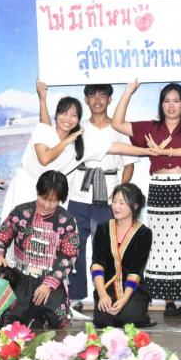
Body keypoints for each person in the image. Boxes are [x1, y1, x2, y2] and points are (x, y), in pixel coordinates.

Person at [112, 77, 181, 317]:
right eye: (166, 101)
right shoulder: (150, 127)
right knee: (161, 245)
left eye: (176, 101)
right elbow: (117, 123)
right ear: (161, 104)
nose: (171, 106)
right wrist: (128, 90)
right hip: (160, 188)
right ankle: (169, 301)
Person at [37, 82, 138, 313]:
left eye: (103, 95)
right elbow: (49, 137)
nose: (97, 100)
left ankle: (108, 295)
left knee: (107, 250)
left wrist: (121, 194)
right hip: (78, 195)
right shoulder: (77, 128)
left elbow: (129, 164)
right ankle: (74, 297)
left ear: (110, 99)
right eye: (92, 95)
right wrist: (42, 100)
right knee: (74, 248)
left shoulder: (119, 128)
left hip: (108, 197)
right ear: (86, 99)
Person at [0, 170, 80, 329]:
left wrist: (48, 285)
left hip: (50, 278)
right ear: (38, 192)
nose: (47, 205)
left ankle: (41, 313)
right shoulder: (21, 212)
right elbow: (1, 237)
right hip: (21, 277)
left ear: (60, 199)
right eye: (43, 198)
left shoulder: (67, 220)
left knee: (59, 320)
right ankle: (32, 316)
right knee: (11, 320)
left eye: (53, 201)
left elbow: (68, 257)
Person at [0, 95, 85, 222]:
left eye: (74, 115)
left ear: (78, 120)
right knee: (15, 228)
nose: (68, 118)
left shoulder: (76, 147)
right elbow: (44, 159)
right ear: (56, 115)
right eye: (64, 113)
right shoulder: (42, 130)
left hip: (50, 196)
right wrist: (66, 141)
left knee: (45, 232)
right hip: (25, 188)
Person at [90, 183, 154, 328]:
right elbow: (97, 264)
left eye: (121, 203)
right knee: (103, 321)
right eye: (114, 201)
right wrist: (103, 295)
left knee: (129, 318)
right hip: (107, 287)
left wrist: (124, 300)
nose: (116, 207)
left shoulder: (144, 233)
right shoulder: (103, 228)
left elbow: (136, 271)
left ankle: (136, 310)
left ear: (135, 206)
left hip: (132, 289)